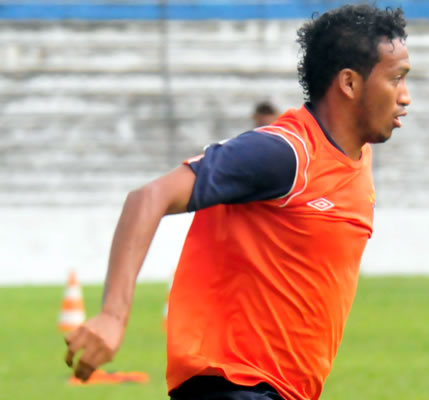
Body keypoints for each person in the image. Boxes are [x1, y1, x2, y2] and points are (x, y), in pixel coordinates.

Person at [64, 4, 411, 400]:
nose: (405, 96)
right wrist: (113, 315)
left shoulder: (357, 157)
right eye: (396, 78)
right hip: (232, 384)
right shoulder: (285, 153)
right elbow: (148, 197)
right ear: (349, 83)